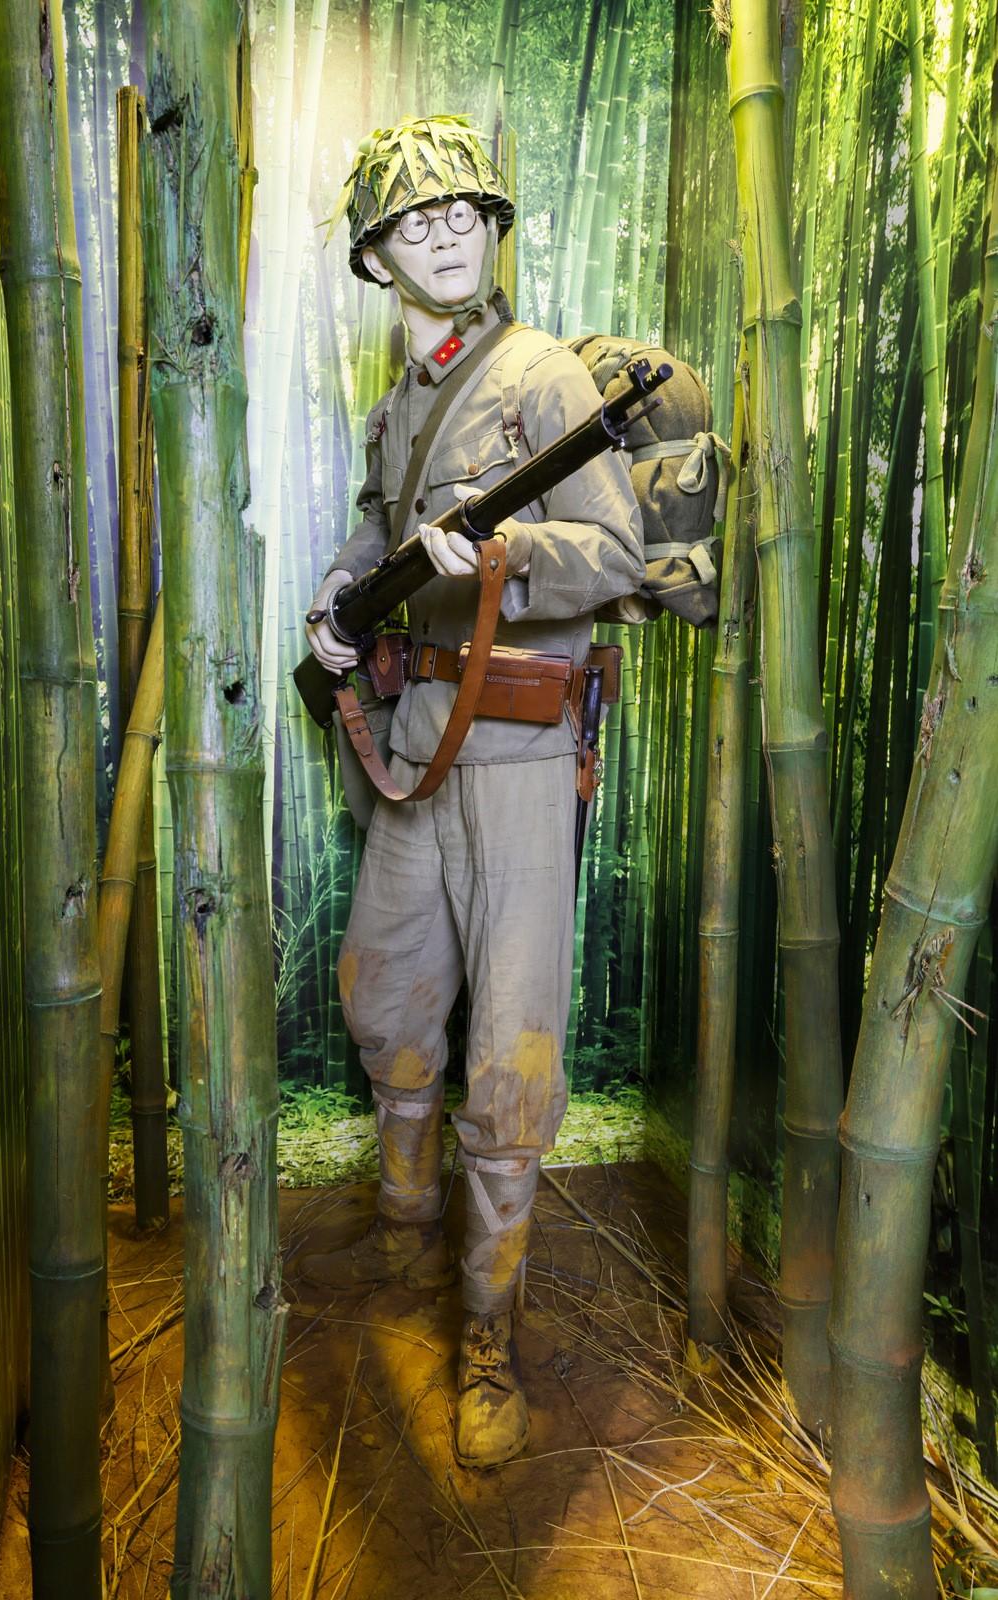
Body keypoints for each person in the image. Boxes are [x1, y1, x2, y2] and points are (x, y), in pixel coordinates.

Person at [301, 115, 645, 1468]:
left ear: (491, 228)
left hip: (509, 748)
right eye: (411, 221)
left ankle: (488, 1328)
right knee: (386, 992)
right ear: (380, 259)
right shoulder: (399, 401)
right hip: (418, 722)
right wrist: (340, 603)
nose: (441, 231)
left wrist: (492, 556)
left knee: (509, 1044)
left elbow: (607, 551)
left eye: (459, 212)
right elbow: (378, 534)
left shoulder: (546, 375)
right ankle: (400, 1217)